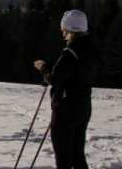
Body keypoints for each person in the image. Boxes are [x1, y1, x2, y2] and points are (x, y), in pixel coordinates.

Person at [33, 9, 97, 169]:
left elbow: (55, 78)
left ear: (70, 29)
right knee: (77, 155)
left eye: (63, 28)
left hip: (66, 111)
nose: (62, 32)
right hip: (84, 107)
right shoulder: (90, 49)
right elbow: (73, 73)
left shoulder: (70, 52)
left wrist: (43, 68)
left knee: (63, 160)